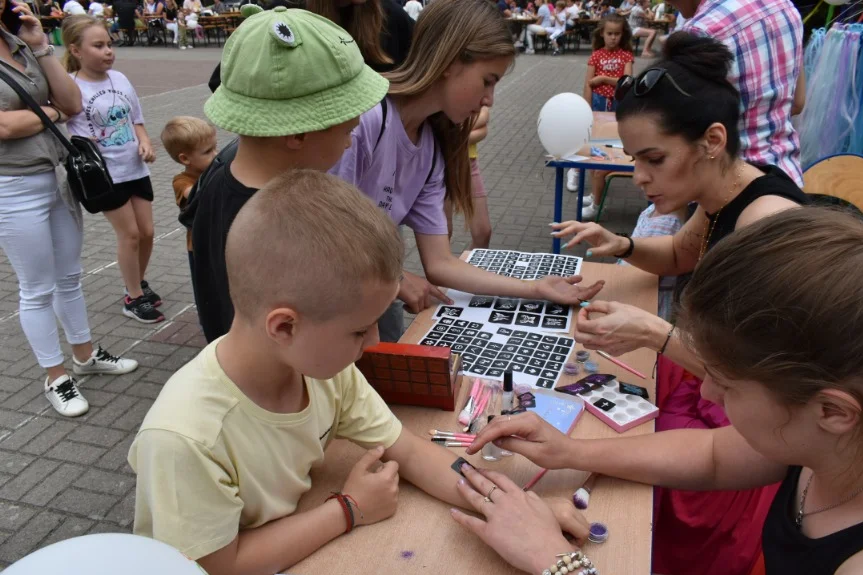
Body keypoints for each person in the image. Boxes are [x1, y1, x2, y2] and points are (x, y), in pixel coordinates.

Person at [129, 169, 589, 575]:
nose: (372, 343)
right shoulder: (185, 437)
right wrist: (348, 509)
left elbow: (408, 451)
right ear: (284, 326)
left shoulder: (323, 371)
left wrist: (512, 507)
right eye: (358, 330)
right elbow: (216, 570)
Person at [462, 208, 863, 575]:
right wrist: (568, 451)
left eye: (727, 385)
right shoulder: (842, 439)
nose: (707, 393)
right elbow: (712, 456)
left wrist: (552, 562)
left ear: (834, 411)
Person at [551, 33, 808, 575]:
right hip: (715, 395)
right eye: (633, 159)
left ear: (712, 140)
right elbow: (677, 253)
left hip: (747, 437)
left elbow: (759, 387)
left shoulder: (765, 225)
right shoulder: (726, 194)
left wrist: (654, 332)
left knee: (612, 512)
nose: (639, 176)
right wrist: (619, 244)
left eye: (653, 159)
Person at [331, 0, 604, 342]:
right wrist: (395, 280)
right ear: (450, 62)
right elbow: (321, 237)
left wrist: (535, 288)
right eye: (487, 81)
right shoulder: (365, 120)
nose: (489, 99)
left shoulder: (430, 149)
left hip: (356, 308)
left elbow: (440, 263)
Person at [190, 6, 391, 343]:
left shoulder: (216, 184)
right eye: (347, 130)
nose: (349, 143)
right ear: (298, 133)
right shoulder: (279, 223)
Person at [0, 0, 138, 417]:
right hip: (12, 185)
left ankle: (84, 354)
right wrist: (52, 113)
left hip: (56, 178)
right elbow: (4, 128)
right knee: (36, 289)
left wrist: (41, 46)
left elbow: (72, 101)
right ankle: (55, 377)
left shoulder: (21, 45)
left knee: (70, 276)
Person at [62, 16, 164, 325]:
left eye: (109, 44)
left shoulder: (119, 78)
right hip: (104, 175)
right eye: (98, 46)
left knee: (147, 232)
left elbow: (137, 118)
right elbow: (65, 125)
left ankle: (137, 281)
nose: (108, 51)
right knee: (130, 234)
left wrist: (145, 142)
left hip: (134, 167)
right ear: (76, 50)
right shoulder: (71, 86)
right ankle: (133, 297)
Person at [671, 0, 803, 185]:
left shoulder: (700, 32)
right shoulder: (785, 6)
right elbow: (798, 102)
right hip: (786, 178)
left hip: (729, 188)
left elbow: (686, 131)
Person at [208, 0, 414, 92]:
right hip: (304, 158)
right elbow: (222, 81)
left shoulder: (390, 16)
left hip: (376, 154)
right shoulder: (283, 15)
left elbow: (424, 73)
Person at [579, 13, 632, 221]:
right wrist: (587, 109)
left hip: (617, 107)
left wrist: (603, 78)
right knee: (595, 152)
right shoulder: (595, 55)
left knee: (607, 153)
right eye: (609, 33)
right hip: (599, 104)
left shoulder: (626, 55)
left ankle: (597, 203)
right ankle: (595, 195)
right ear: (602, 33)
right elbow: (587, 84)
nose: (613, 38)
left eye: (617, 34)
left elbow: (626, 82)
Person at [160, 116, 217, 286]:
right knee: (207, 289)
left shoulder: (214, 169)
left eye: (215, 148)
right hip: (200, 246)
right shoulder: (182, 181)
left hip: (221, 240)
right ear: (185, 159)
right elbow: (195, 193)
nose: (215, 154)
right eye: (208, 152)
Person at [464, 106, 492, 249]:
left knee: (483, 233)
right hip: (441, 162)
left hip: (469, 163)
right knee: (443, 234)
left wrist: (454, 135)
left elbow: (484, 113)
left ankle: (462, 270)